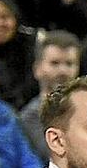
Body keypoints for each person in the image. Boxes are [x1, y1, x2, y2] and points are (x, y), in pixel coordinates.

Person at [20, 29, 82, 157]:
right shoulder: (30, 117)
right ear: (37, 69)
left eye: (69, 64)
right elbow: (53, 153)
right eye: (55, 63)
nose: (63, 71)